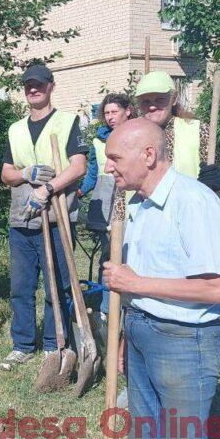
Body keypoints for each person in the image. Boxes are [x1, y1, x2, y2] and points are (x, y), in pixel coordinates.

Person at [102, 119, 220, 439]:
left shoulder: (194, 202)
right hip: (142, 332)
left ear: (148, 155)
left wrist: (134, 284)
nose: (109, 166)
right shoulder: (138, 205)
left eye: (115, 157)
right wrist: (128, 335)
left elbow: (218, 289)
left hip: (184, 342)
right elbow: (138, 281)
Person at [0, 64, 88, 369]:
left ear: (51, 86)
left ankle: (54, 342)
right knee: (21, 287)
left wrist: (47, 188)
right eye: (27, 85)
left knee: (57, 286)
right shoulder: (15, 129)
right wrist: (25, 173)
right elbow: (6, 174)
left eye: (38, 84)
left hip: (57, 216)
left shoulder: (67, 122)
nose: (33, 89)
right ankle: (22, 344)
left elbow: (78, 166)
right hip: (21, 219)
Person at [78, 92, 134, 322]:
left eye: (114, 111)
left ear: (127, 111)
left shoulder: (137, 134)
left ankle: (131, 304)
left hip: (129, 201)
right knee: (108, 256)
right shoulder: (98, 140)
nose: (110, 117)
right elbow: (93, 172)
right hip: (104, 204)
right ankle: (107, 308)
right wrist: (79, 191)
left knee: (130, 255)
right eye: (107, 113)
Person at [134, 71, 220, 194]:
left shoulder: (198, 131)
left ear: (173, 99)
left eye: (159, 100)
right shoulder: (131, 135)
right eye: (146, 101)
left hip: (188, 209)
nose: (152, 107)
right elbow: (122, 194)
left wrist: (218, 183)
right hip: (141, 211)